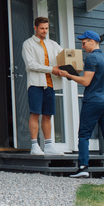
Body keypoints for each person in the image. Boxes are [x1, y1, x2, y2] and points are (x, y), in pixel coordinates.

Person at [59, 30, 104, 182]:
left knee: (84, 135)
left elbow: (86, 82)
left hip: (93, 102)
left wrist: (68, 75)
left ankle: (83, 168)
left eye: (84, 42)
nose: (82, 46)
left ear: (93, 41)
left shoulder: (91, 58)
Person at [21, 17, 63, 155]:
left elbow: (64, 57)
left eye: (46, 28)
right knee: (35, 113)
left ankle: (49, 145)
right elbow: (30, 64)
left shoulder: (53, 44)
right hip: (35, 84)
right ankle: (34, 146)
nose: (44, 31)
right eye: (42, 28)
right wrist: (52, 69)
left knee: (48, 115)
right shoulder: (28, 44)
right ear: (35, 27)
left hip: (50, 84)